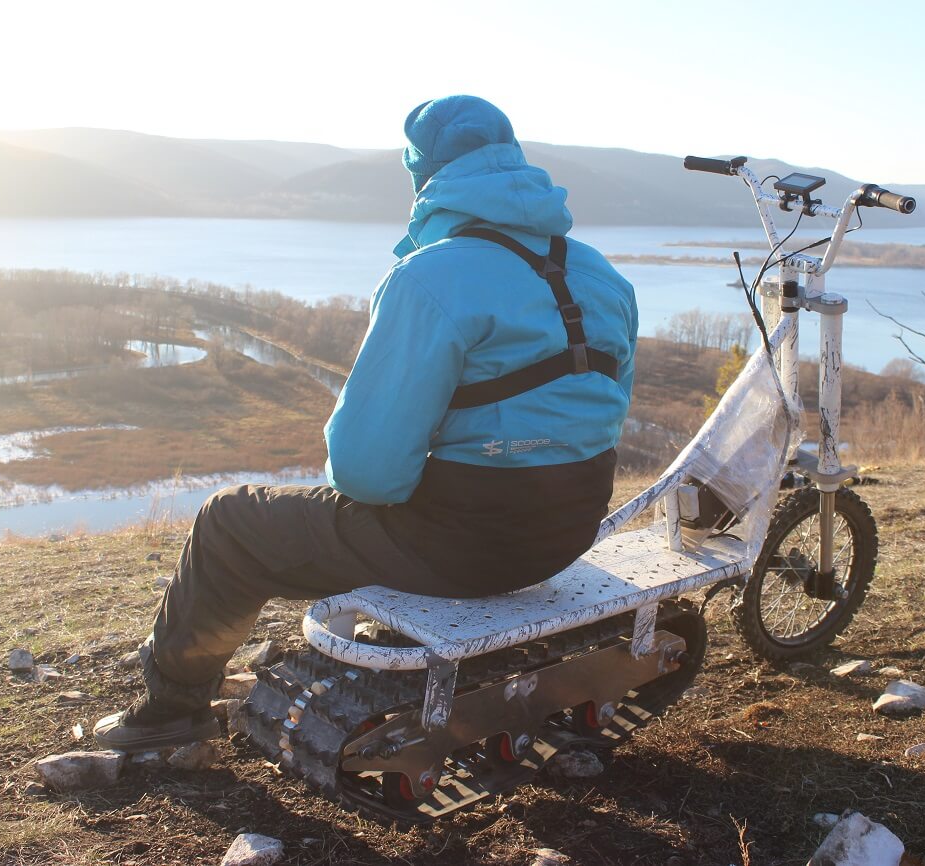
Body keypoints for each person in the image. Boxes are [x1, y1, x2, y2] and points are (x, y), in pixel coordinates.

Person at [94, 95, 638, 752]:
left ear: (425, 176)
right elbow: (601, 420)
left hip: (461, 547)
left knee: (228, 524)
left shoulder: (429, 278)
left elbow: (365, 472)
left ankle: (171, 712)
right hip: (563, 532)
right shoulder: (604, 277)